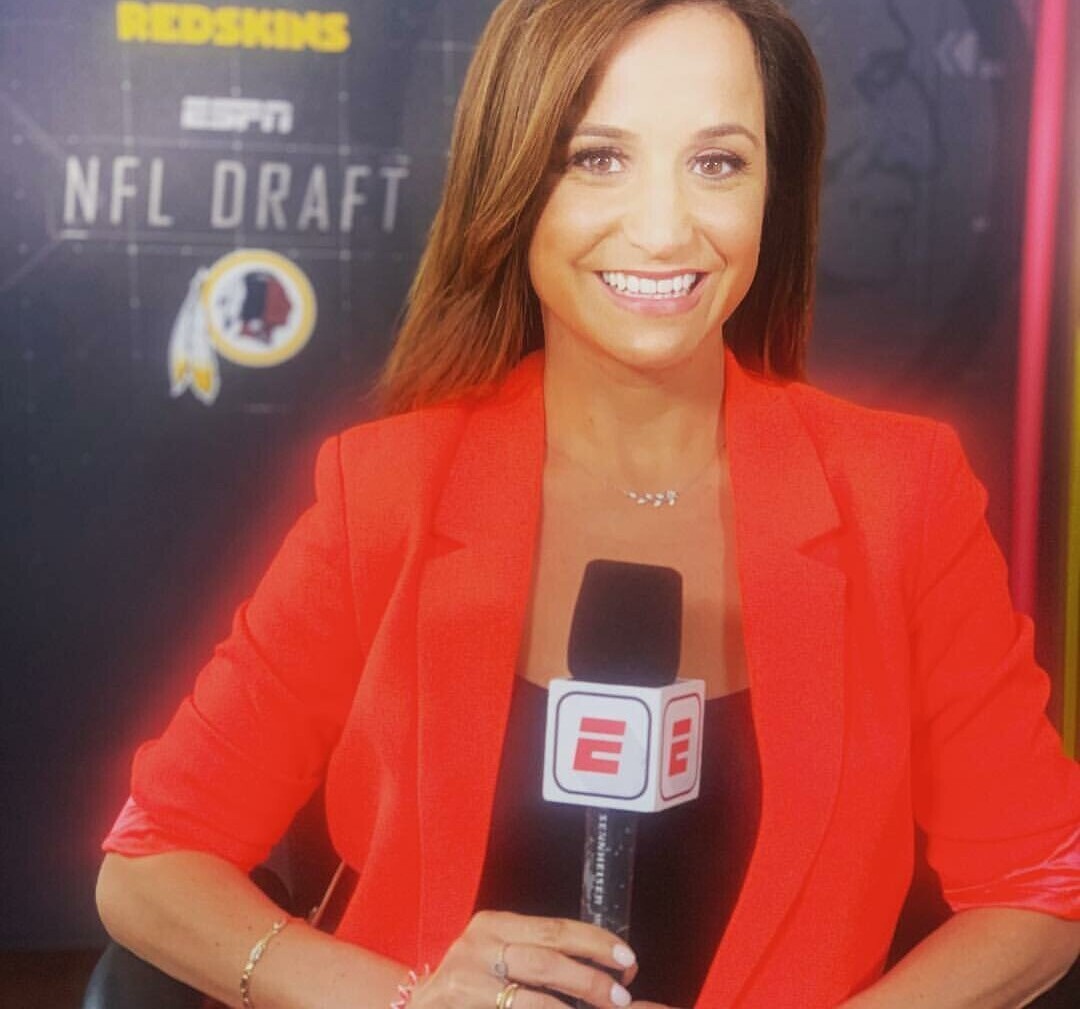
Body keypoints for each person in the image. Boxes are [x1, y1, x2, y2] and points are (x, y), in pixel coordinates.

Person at [95, 1, 1080, 1007]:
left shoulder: (902, 491)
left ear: (773, 191)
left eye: (718, 163)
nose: (662, 229)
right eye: (598, 158)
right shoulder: (387, 490)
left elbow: (1040, 880)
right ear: (514, 181)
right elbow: (151, 860)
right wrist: (402, 1001)